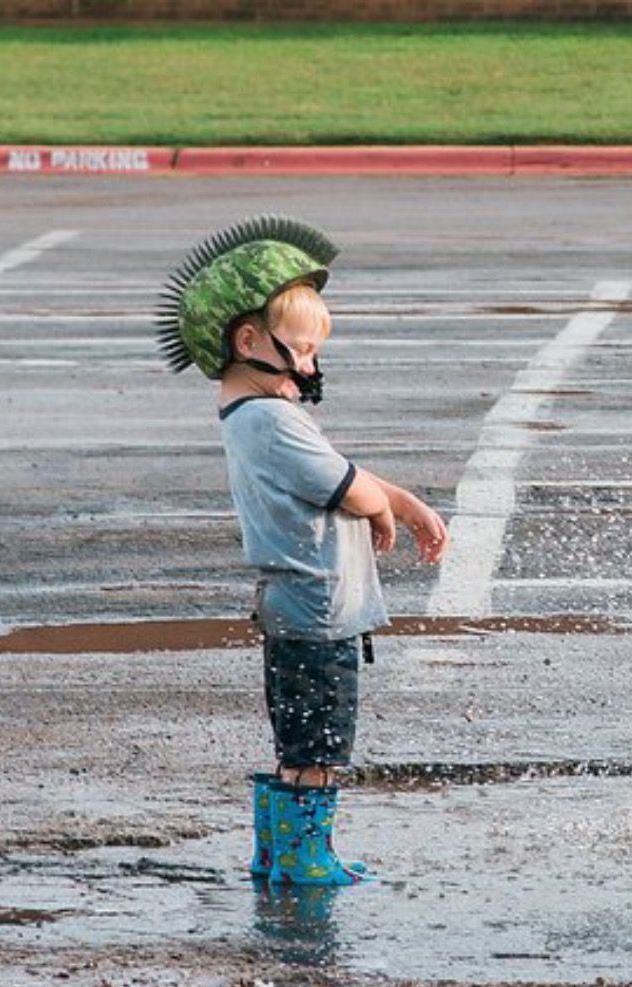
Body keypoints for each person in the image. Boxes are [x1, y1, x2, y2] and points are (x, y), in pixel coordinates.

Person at [155, 217, 448, 887]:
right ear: (248, 342)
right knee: (318, 744)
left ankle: (278, 853)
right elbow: (348, 486)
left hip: (299, 605)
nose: (311, 367)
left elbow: (341, 472)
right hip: (317, 610)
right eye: (303, 350)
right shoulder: (269, 420)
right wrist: (385, 508)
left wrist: (402, 503)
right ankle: (303, 858)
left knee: (300, 737)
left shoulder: (256, 416)